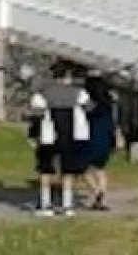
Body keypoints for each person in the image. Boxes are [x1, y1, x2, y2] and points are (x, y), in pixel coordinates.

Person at [25, 64, 92, 216]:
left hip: (48, 135)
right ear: (68, 76)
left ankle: (45, 204)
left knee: (45, 169)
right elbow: (89, 107)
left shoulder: (42, 94)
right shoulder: (78, 93)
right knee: (68, 170)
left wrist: (32, 135)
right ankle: (67, 205)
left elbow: (36, 115)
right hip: (72, 134)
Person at [79, 78, 119, 213]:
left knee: (82, 168)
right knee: (100, 169)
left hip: (90, 139)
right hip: (106, 140)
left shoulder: (89, 106)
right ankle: (102, 196)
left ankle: (96, 192)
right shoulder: (108, 105)